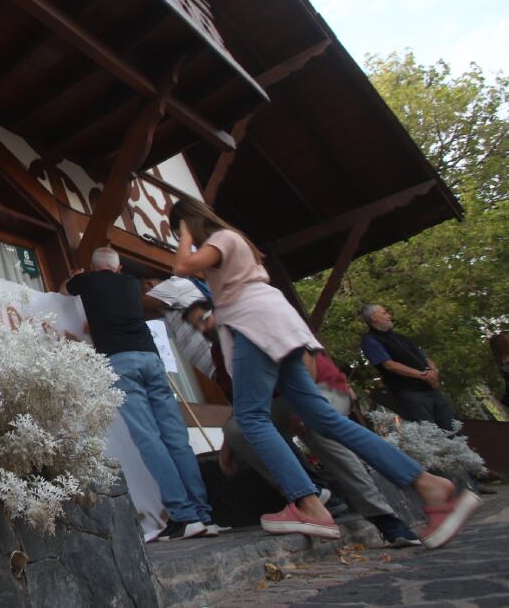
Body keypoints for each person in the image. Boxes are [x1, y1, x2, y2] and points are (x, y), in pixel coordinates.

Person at [169, 196, 478, 548]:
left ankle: (308, 503)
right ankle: (430, 486)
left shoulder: (221, 238)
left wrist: (182, 230)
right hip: (276, 326)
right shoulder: (234, 245)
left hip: (253, 325)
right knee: (326, 420)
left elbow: (182, 266)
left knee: (251, 418)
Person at [183, 305, 423, 548]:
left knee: (317, 427)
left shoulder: (254, 318)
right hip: (275, 401)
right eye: (195, 327)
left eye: (203, 319)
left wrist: (303, 407)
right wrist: (228, 441)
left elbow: (306, 357)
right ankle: (312, 494)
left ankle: (384, 517)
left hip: (319, 387)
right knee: (238, 429)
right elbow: (243, 398)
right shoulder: (219, 351)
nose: (201, 328)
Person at [65, 247, 214, 540]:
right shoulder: (133, 284)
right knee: (176, 438)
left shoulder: (89, 282)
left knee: (148, 438)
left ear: (96, 268)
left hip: (120, 361)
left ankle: (183, 514)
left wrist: (77, 278)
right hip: (151, 359)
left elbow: (64, 289)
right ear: (118, 268)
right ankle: (203, 514)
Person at [360, 305, 455, 431]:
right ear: (373, 318)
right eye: (384, 313)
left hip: (431, 389)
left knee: (452, 428)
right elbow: (389, 365)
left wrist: (433, 372)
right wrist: (423, 375)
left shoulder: (401, 337)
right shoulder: (371, 340)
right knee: (429, 432)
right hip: (411, 393)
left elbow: (424, 357)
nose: (389, 316)